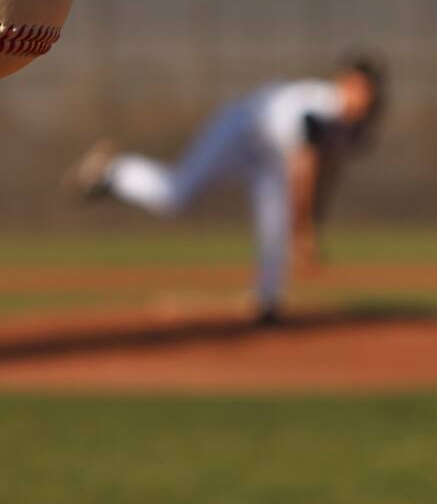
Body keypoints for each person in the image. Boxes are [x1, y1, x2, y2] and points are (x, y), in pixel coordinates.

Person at [67, 54, 387, 323]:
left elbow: (325, 173)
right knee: (176, 195)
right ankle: (115, 171)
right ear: (345, 82)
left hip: (269, 155)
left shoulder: (352, 127)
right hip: (240, 131)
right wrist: (304, 230)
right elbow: (305, 169)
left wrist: (308, 221)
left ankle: (268, 303)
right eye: (360, 88)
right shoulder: (323, 108)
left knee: (275, 226)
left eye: (369, 92)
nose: (364, 97)